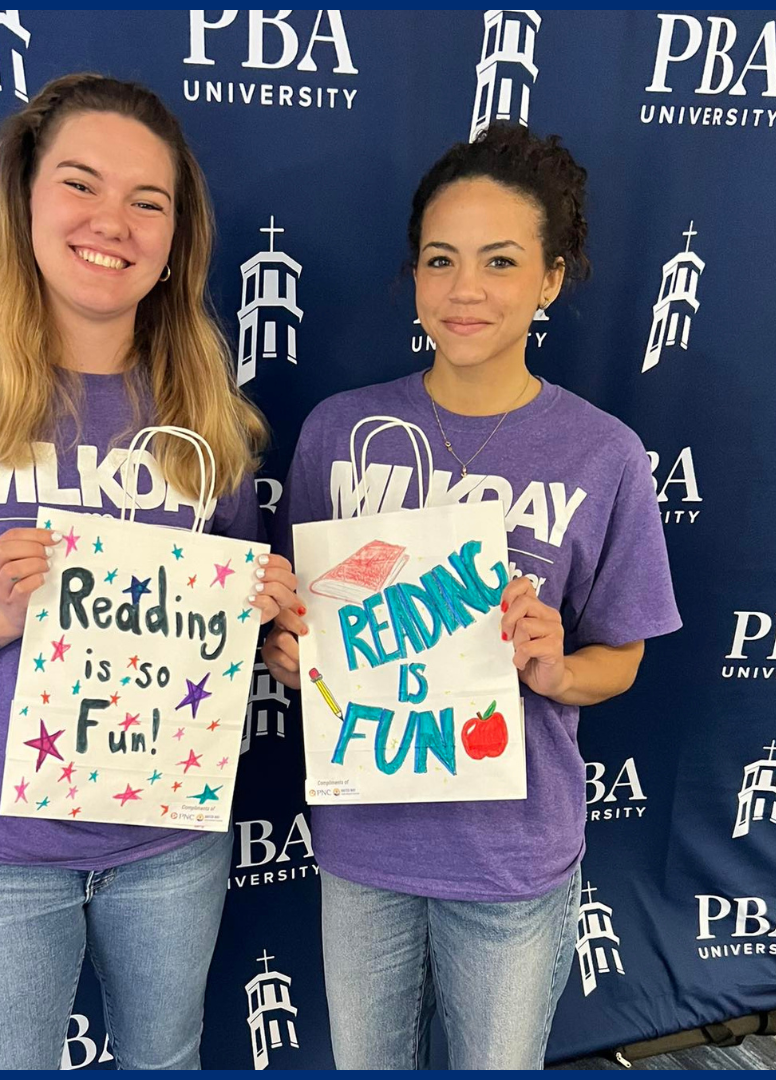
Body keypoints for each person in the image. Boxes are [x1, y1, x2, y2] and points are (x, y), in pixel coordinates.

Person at [0, 73, 301, 1071]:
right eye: (81, 184)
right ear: (24, 201)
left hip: (172, 841)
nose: (113, 223)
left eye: (149, 201)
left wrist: (266, 612)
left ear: (177, 237)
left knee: (165, 1062)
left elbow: (234, 629)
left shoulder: (208, 416)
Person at [263, 124, 682, 1070]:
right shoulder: (338, 431)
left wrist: (556, 670)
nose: (464, 290)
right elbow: (305, 635)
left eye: (501, 262)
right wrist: (289, 655)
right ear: (414, 274)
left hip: (512, 861)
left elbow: (621, 659)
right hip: (362, 847)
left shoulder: (603, 453)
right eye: (440, 259)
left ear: (551, 279)